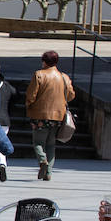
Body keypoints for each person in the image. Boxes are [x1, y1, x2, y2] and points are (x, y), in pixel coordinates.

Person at [26, 49, 75, 181]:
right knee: (51, 144)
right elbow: (71, 95)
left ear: (44, 61)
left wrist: (29, 105)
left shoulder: (39, 75)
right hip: (58, 115)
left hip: (39, 115)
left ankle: (43, 161)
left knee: (38, 142)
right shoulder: (64, 77)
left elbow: (31, 95)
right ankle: (48, 172)